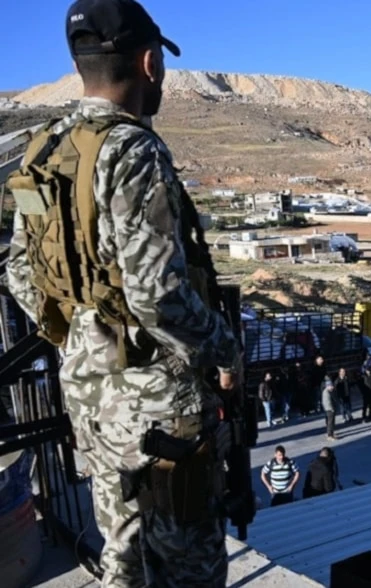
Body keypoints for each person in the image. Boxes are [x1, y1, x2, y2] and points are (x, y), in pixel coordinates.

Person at [5, 2, 241, 585]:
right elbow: (158, 296)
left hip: (88, 396)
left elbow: (17, 271)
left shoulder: (45, 152)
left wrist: (79, 332)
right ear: (149, 61)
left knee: (122, 550)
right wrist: (224, 348)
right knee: (189, 562)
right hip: (158, 406)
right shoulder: (133, 151)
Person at [321, 373, 337, 441]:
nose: (332, 387)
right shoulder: (326, 393)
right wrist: (331, 409)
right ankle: (329, 435)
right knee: (330, 423)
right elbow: (327, 402)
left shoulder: (329, 391)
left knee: (332, 422)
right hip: (329, 410)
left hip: (331, 409)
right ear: (328, 386)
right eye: (331, 386)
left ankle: (332, 433)